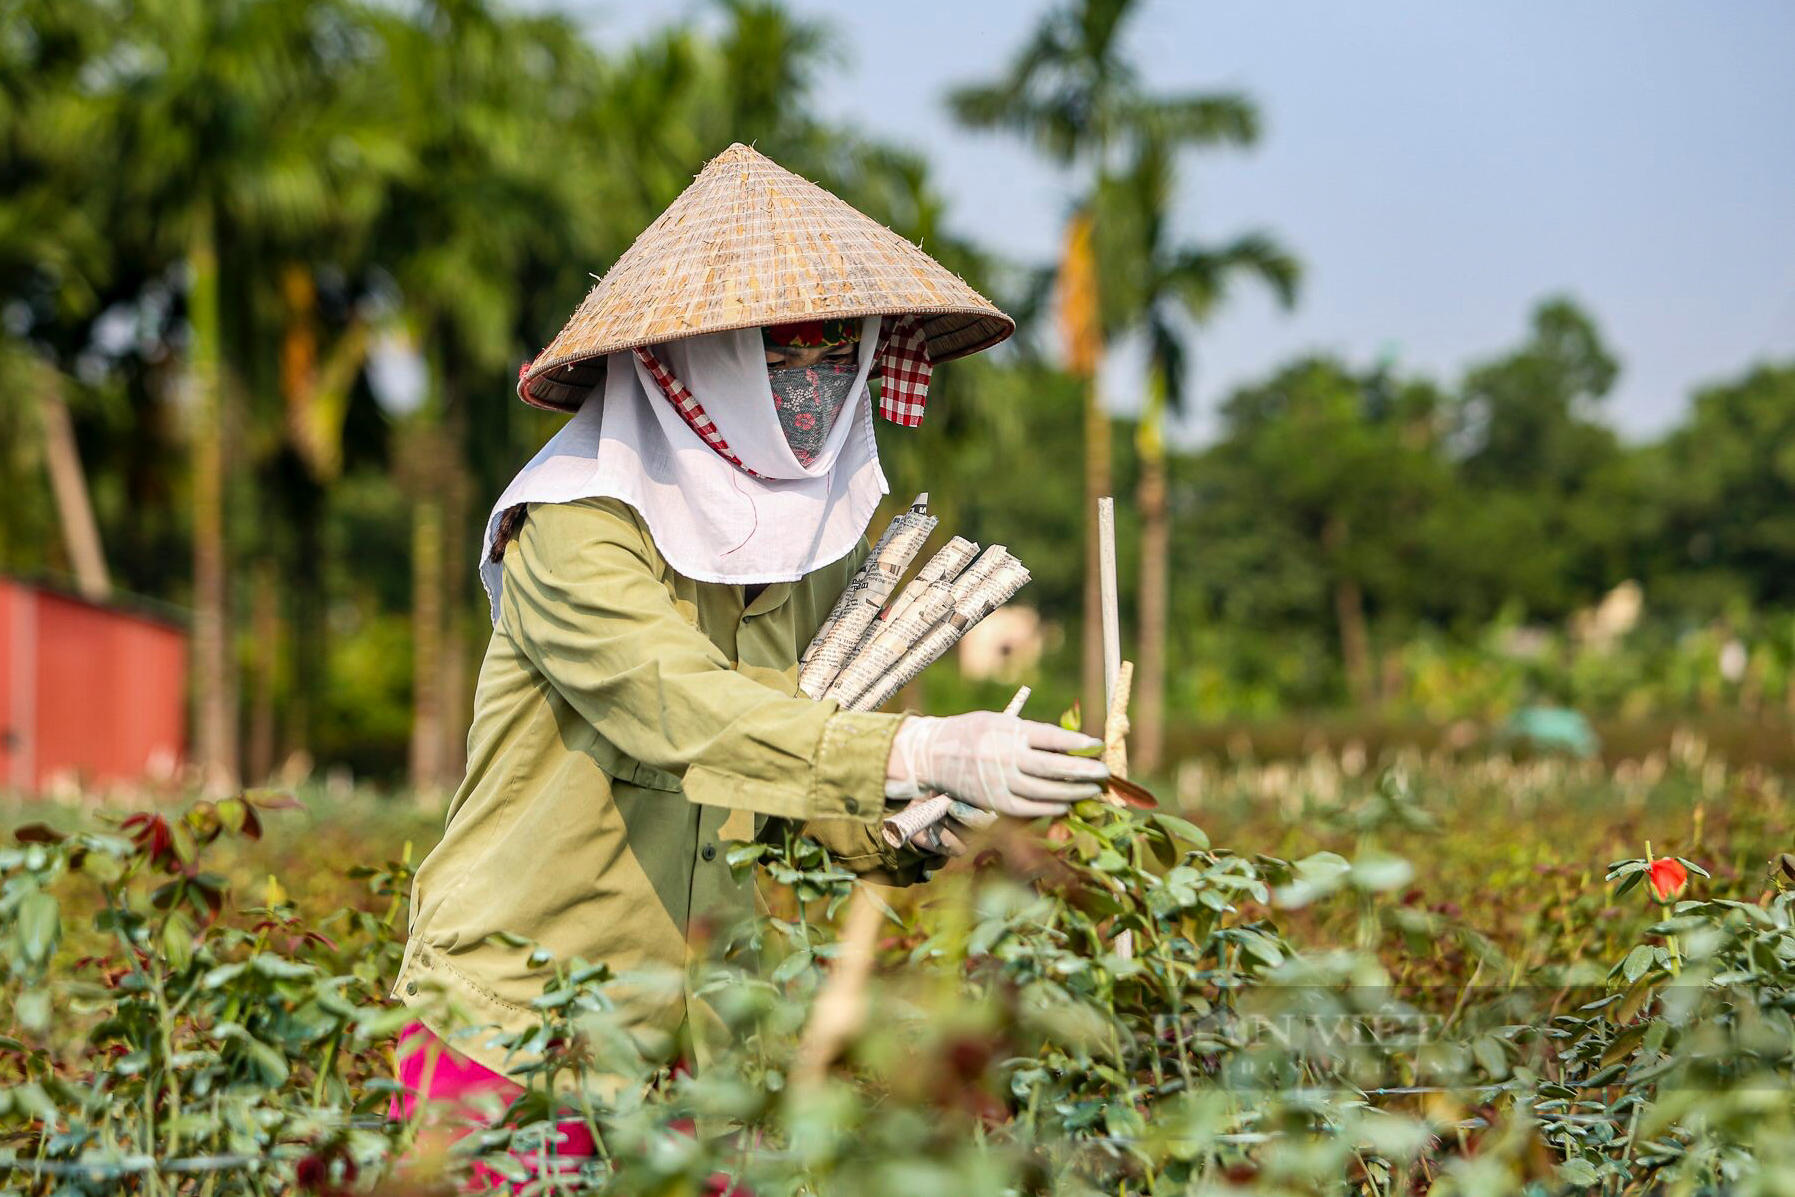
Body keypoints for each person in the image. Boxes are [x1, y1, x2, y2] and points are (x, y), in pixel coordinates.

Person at [386, 145, 1108, 1174]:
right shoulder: (572, 525)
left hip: (702, 1042)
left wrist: (925, 829)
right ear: (693, 363)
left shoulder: (815, 535)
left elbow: (795, 755)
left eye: (833, 359)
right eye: (780, 359)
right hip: (515, 1020)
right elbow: (679, 712)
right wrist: (918, 745)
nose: (810, 389)